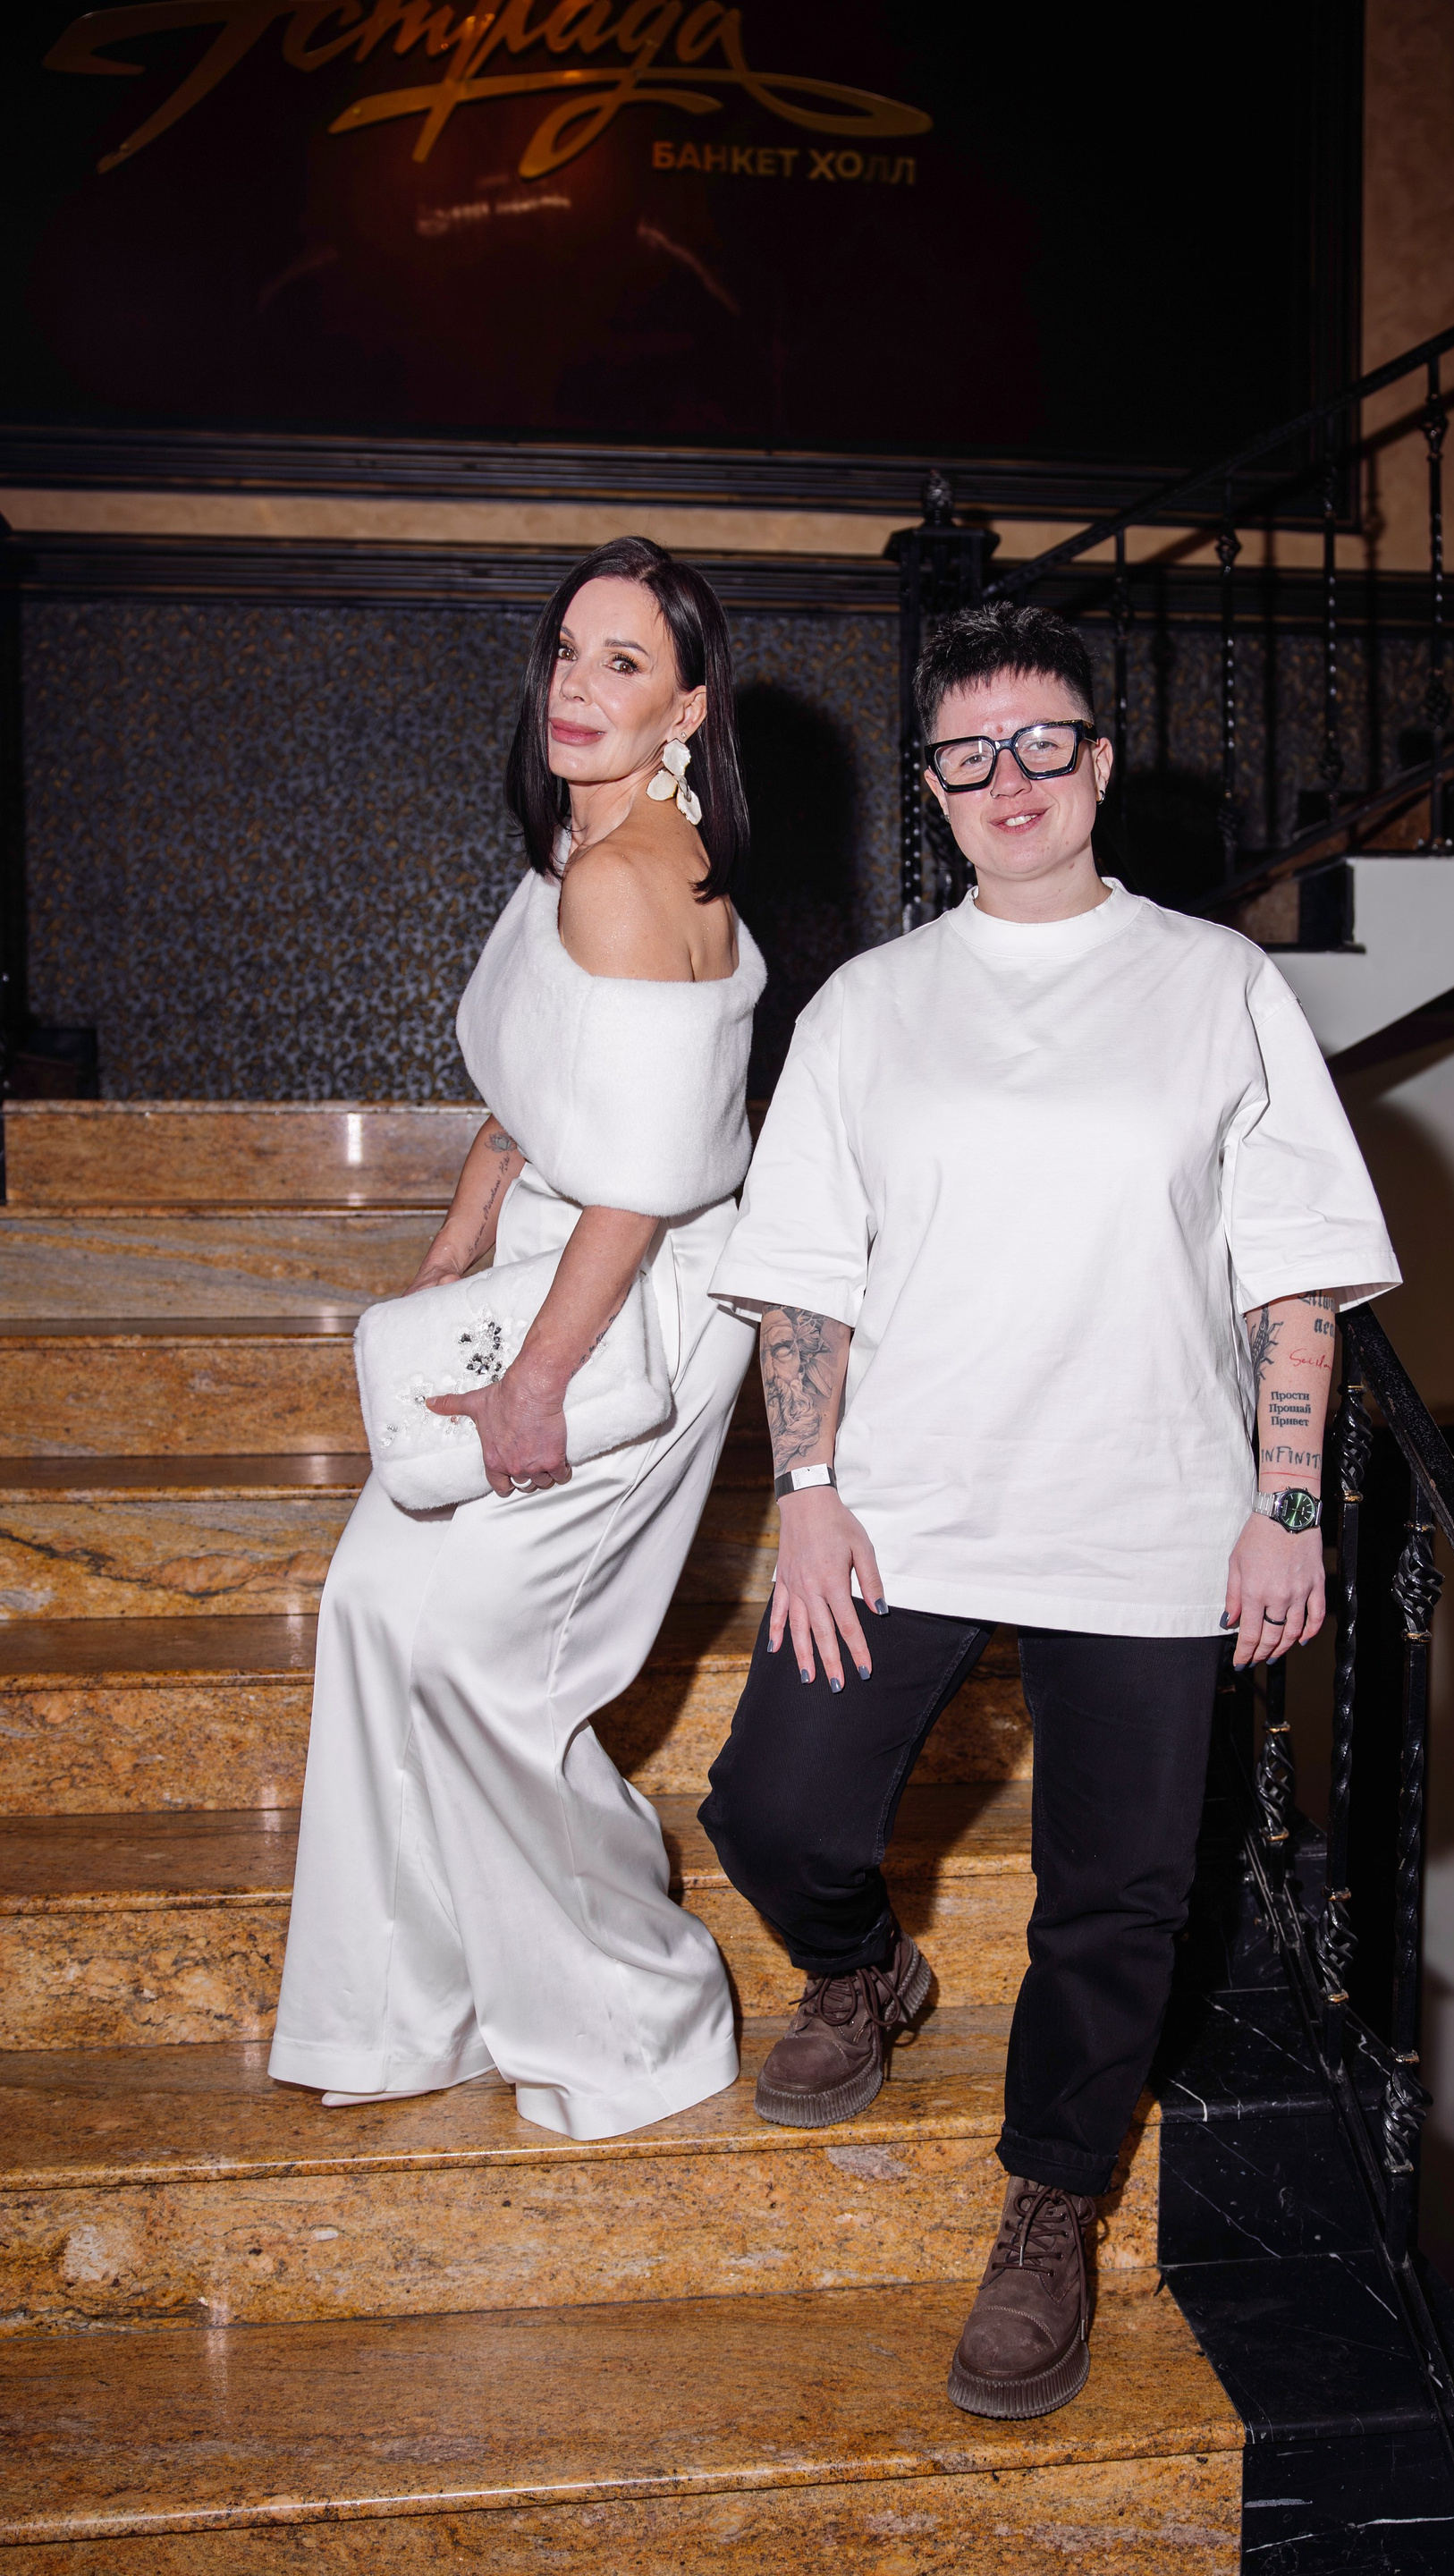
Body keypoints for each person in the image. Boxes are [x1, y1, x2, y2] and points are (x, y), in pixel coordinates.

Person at [699, 599, 1399, 2419]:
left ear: (1098, 761)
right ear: (935, 790)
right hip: (906, 1499)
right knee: (771, 1806)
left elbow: (1293, 1277)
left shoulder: (1217, 986)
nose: (1008, 779)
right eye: (968, 754)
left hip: (1149, 1509)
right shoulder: (871, 1009)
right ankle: (864, 1972)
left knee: (1118, 1899)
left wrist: (1289, 1501)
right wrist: (810, 1489)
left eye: (1042, 744)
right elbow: (803, 1281)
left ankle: (1051, 2205)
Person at [270, 537, 765, 2141]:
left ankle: (639, 2012)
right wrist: (462, 1232)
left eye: (624, 662)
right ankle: (400, 2007)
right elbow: (548, 1096)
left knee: (478, 1663)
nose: (576, 684)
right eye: (566, 649)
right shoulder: (583, 842)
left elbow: (637, 1185)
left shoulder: (627, 883)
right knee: (372, 1601)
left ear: (687, 708)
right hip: (548, 1261)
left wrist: (535, 1381)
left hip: (625, 1306)